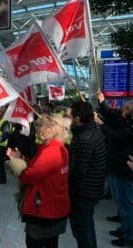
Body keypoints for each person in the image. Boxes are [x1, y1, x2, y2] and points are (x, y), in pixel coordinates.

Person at [7, 114, 71, 248]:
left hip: (43, 209)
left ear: (51, 129)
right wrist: (23, 159)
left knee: (35, 243)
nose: (37, 129)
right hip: (53, 206)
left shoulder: (51, 152)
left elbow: (30, 176)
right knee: (50, 243)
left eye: (40, 126)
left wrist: (16, 164)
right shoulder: (58, 147)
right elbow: (39, 167)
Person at [95, 92, 133, 247]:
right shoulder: (126, 120)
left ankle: (129, 235)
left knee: (127, 205)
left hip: (126, 171)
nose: (121, 112)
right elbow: (111, 115)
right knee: (121, 202)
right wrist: (102, 102)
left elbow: (116, 136)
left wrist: (101, 125)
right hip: (118, 167)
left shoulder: (130, 127)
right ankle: (124, 228)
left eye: (125, 109)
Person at [68, 101, 107, 248]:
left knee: (82, 230)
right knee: (87, 227)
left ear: (78, 119)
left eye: (69, 117)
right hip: (92, 189)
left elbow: (77, 173)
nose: (68, 120)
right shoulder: (94, 131)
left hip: (83, 193)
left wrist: (69, 193)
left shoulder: (84, 139)